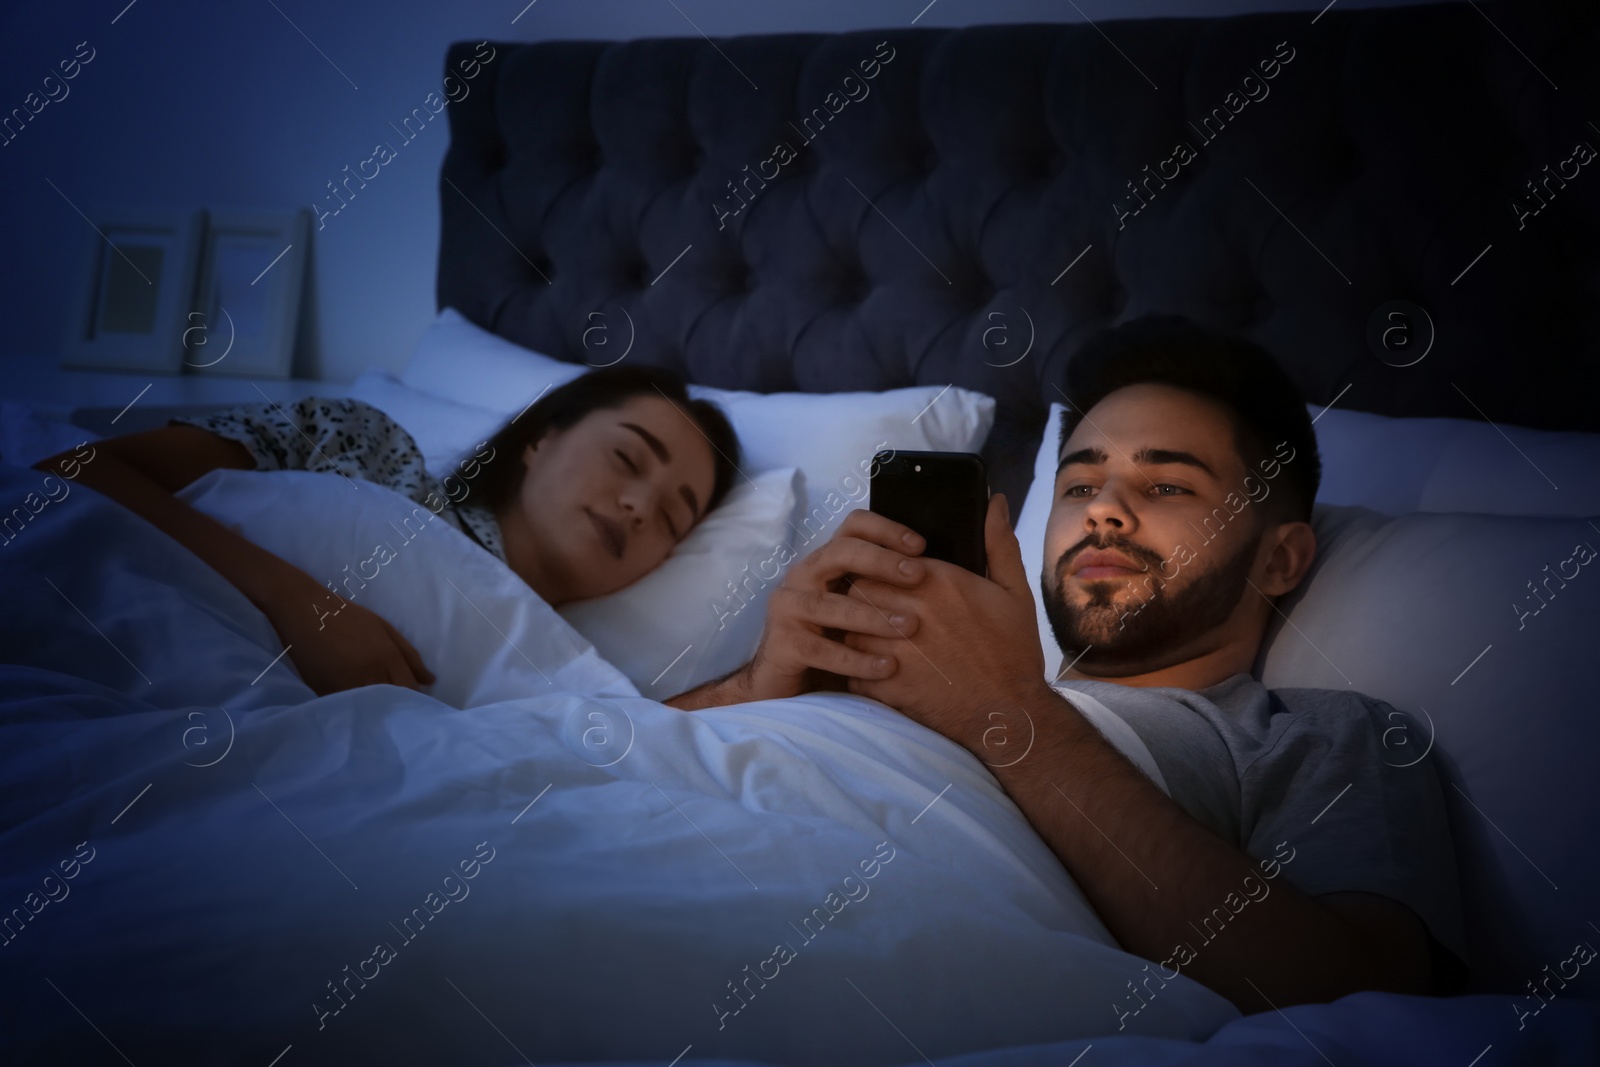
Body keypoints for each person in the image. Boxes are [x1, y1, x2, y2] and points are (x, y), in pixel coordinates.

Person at [668, 315, 1466, 1016]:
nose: (1103, 509)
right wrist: (756, 682)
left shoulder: (1322, 734)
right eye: (1080, 480)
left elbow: (1367, 1000)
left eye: (1165, 482)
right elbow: (622, 751)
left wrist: (1007, 714)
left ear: (1281, 558)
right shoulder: (925, 674)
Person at [35, 365, 739, 697]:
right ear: (540, 438)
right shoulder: (365, 447)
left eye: (673, 516)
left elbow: (647, 742)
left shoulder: (571, 673)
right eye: (627, 457)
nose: (640, 506)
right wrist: (297, 601)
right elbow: (71, 471)